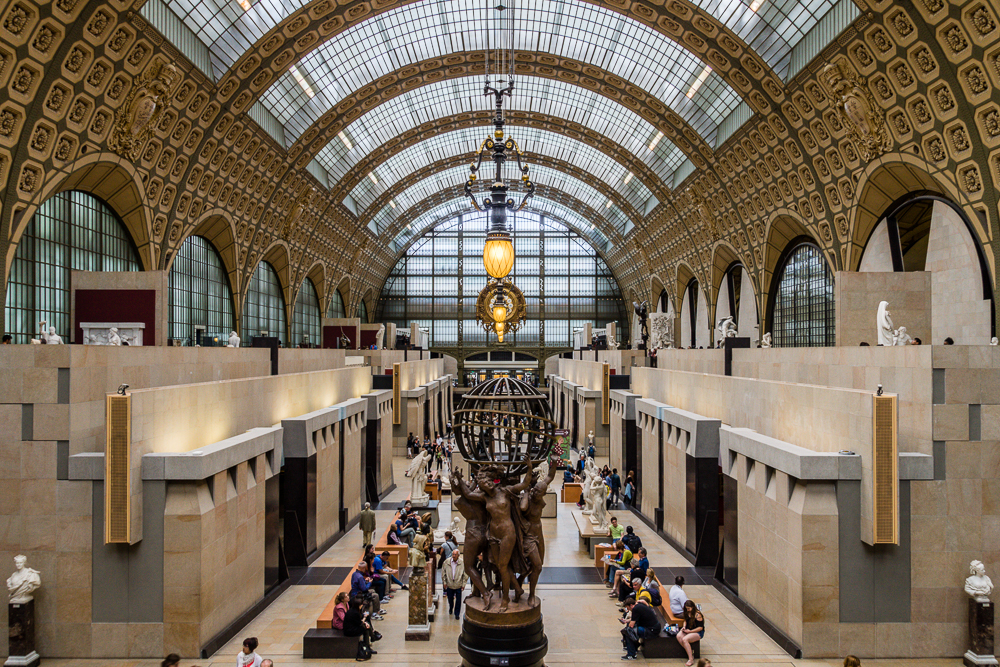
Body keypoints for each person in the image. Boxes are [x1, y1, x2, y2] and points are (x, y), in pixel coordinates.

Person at [343, 597, 377, 661]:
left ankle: (371, 640)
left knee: (366, 626)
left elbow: (358, 622)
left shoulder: (352, 610)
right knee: (365, 629)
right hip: (350, 631)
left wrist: (365, 623)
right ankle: (370, 642)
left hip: (350, 628)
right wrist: (365, 617)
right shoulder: (355, 613)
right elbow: (360, 623)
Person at [441, 546, 468, 619]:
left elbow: (465, 574)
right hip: (450, 584)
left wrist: (463, 584)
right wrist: (444, 582)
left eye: (455, 555)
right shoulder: (447, 562)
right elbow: (443, 572)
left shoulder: (462, 563)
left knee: (458, 601)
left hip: (458, 584)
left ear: (458, 555)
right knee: (450, 598)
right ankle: (451, 607)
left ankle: (457, 613)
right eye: (453, 554)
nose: (454, 556)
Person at [677, 599, 705, 666]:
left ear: (692, 607)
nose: (688, 610)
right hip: (688, 629)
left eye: (689, 608)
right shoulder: (687, 613)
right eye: (686, 609)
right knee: (678, 636)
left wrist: (690, 631)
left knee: (685, 639)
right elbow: (685, 621)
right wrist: (684, 627)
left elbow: (700, 628)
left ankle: (691, 659)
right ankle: (689, 651)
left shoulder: (697, 615)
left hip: (697, 632)